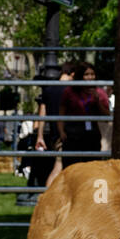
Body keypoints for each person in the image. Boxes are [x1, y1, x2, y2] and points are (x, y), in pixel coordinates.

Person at [59, 62, 111, 170]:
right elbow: (61, 113)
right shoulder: (69, 92)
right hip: (72, 134)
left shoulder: (100, 93)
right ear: (80, 76)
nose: (90, 77)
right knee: (71, 168)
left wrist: (97, 101)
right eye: (86, 74)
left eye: (92, 74)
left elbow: (107, 116)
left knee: (92, 168)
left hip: (92, 135)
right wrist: (61, 132)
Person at [33, 60, 75, 191]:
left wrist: (40, 136)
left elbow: (42, 114)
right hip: (68, 134)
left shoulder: (49, 89)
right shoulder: (72, 91)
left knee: (62, 167)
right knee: (59, 167)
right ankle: (46, 199)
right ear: (72, 74)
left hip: (54, 134)